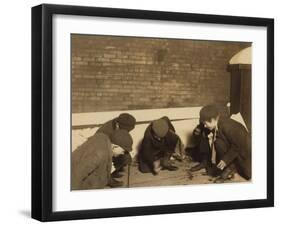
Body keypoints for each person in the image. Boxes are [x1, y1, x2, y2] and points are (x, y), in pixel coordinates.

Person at [197, 105, 251, 182]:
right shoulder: (218, 122)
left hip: (246, 153)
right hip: (236, 149)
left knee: (219, 142)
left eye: (205, 124)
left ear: (212, 119)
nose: (205, 126)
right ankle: (229, 170)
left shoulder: (227, 126)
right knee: (218, 142)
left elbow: (238, 146)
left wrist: (225, 160)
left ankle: (233, 172)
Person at [96, 113, 136, 178]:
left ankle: (112, 171)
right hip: (101, 152)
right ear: (117, 125)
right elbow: (100, 150)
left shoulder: (121, 125)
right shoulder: (105, 131)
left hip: (113, 150)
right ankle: (107, 177)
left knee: (126, 157)